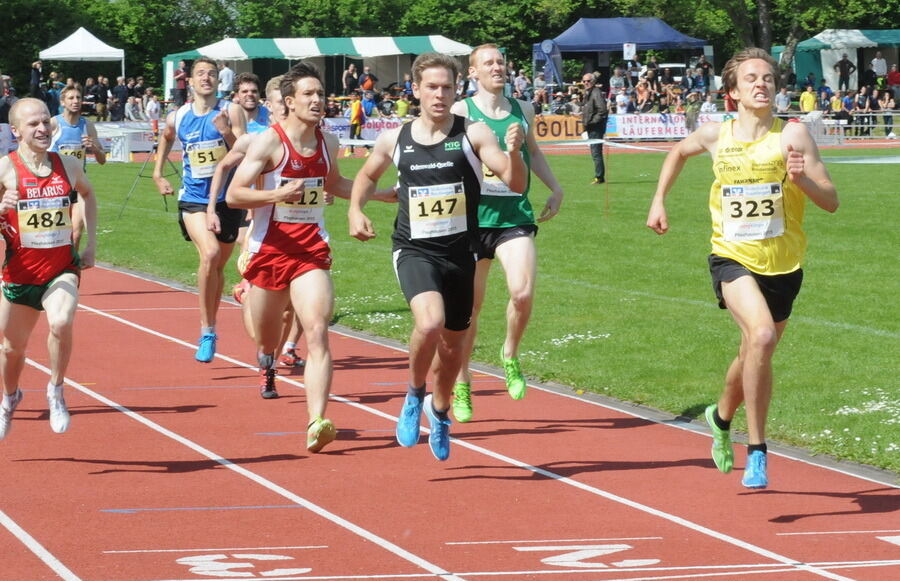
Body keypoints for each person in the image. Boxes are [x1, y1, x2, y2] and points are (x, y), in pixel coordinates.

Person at [646, 47, 839, 489]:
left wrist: (802, 180)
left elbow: (831, 201)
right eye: (751, 77)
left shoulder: (793, 136)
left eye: (768, 77)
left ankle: (720, 415)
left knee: (754, 350)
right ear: (733, 91)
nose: (761, 84)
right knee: (763, 335)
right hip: (731, 256)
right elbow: (678, 152)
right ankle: (757, 450)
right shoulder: (717, 134)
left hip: (784, 265)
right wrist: (659, 200)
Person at [348, 52, 527, 461]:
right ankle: (414, 394)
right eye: (431, 86)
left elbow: (515, 183)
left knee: (452, 348)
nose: (440, 94)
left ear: (456, 89)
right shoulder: (396, 138)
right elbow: (365, 175)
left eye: (447, 86)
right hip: (414, 249)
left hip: (461, 252)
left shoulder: (473, 134)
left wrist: (514, 153)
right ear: (415, 90)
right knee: (429, 323)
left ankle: (440, 409)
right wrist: (356, 209)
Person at [227, 62, 392, 452]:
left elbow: (334, 182)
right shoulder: (269, 142)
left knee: (316, 329)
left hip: (310, 249)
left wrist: (380, 194)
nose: (318, 100)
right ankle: (252, 309)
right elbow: (235, 194)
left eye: (320, 94)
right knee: (267, 339)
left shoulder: (328, 143)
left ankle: (317, 420)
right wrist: (276, 195)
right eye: (309, 94)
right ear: (289, 102)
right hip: (270, 249)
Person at [448, 44, 564, 421]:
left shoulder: (522, 109)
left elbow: (535, 152)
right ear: (473, 73)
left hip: (514, 216)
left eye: (500, 61)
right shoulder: (461, 112)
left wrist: (555, 187)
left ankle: (510, 354)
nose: (497, 67)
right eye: (488, 63)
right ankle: (462, 383)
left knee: (523, 291)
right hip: (472, 221)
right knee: (469, 310)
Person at [0, 98, 98, 440]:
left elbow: (87, 194)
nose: (42, 128)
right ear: (16, 131)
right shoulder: (5, 169)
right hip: (20, 273)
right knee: (11, 350)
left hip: (61, 268)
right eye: (33, 124)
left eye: (45, 122)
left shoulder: (67, 166)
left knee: (60, 320)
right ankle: (10, 397)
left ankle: (56, 389)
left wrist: (90, 243)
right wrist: (1, 207)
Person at [153, 57, 240, 363]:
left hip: (228, 200)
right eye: (200, 74)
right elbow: (164, 139)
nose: (206, 78)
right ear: (189, 81)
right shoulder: (179, 116)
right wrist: (158, 173)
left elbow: (247, 153)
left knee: (217, 267)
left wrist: (227, 133)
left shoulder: (231, 111)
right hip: (193, 198)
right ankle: (207, 330)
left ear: (219, 81)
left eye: (212, 74)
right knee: (211, 254)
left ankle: (211, 324)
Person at [49, 84, 106, 250]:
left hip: (79, 185)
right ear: (63, 102)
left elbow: (102, 160)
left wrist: (94, 147)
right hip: (56, 186)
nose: (75, 101)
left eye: (78, 98)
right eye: (71, 98)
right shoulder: (53, 124)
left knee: (76, 234)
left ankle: (71, 272)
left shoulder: (87, 126)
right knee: (54, 235)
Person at [582, 72, 608, 184]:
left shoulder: (595, 93)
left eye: (588, 81)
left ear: (593, 81)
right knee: (595, 152)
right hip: (591, 126)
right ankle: (599, 176)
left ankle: (599, 177)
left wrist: (592, 122)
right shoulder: (588, 93)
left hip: (595, 127)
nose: (586, 83)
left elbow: (602, 110)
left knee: (596, 152)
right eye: (584, 81)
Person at [345, 91, 365, 157]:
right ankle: (352, 151)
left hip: (357, 122)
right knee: (351, 137)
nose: (352, 97)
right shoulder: (353, 103)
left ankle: (368, 148)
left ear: (357, 97)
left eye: (354, 96)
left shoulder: (358, 102)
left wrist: (352, 120)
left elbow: (357, 113)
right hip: (354, 122)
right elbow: (353, 113)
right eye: (351, 96)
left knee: (358, 137)